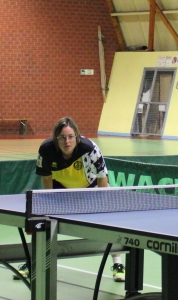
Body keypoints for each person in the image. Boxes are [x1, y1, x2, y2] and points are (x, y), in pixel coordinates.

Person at [35, 117, 123, 280]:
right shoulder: (46, 150)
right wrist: (49, 205)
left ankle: (118, 263)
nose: (67, 141)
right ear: (56, 138)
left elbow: (102, 178)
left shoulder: (90, 149)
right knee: (42, 221)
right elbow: (46, 179)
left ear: (77, 136)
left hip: (89, 187)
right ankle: (35, 262)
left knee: (110, 221)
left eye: (70, 136)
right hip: (61, 189)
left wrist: (104, 206)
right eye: (62, 137)